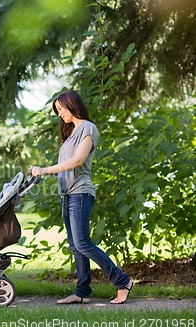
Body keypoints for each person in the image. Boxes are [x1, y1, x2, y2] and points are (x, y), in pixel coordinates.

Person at [30, 89, 133, 304]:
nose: (59, 114)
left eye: (61, 109)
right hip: (68, 195)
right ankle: (82, 292)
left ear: (71, 105)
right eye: (57, 111)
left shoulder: (88, 128)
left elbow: (78, 161)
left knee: (83, 243)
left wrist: (45, 169)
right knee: (76, 245)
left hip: (81, 192)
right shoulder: (70, 135)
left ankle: (123, 282)